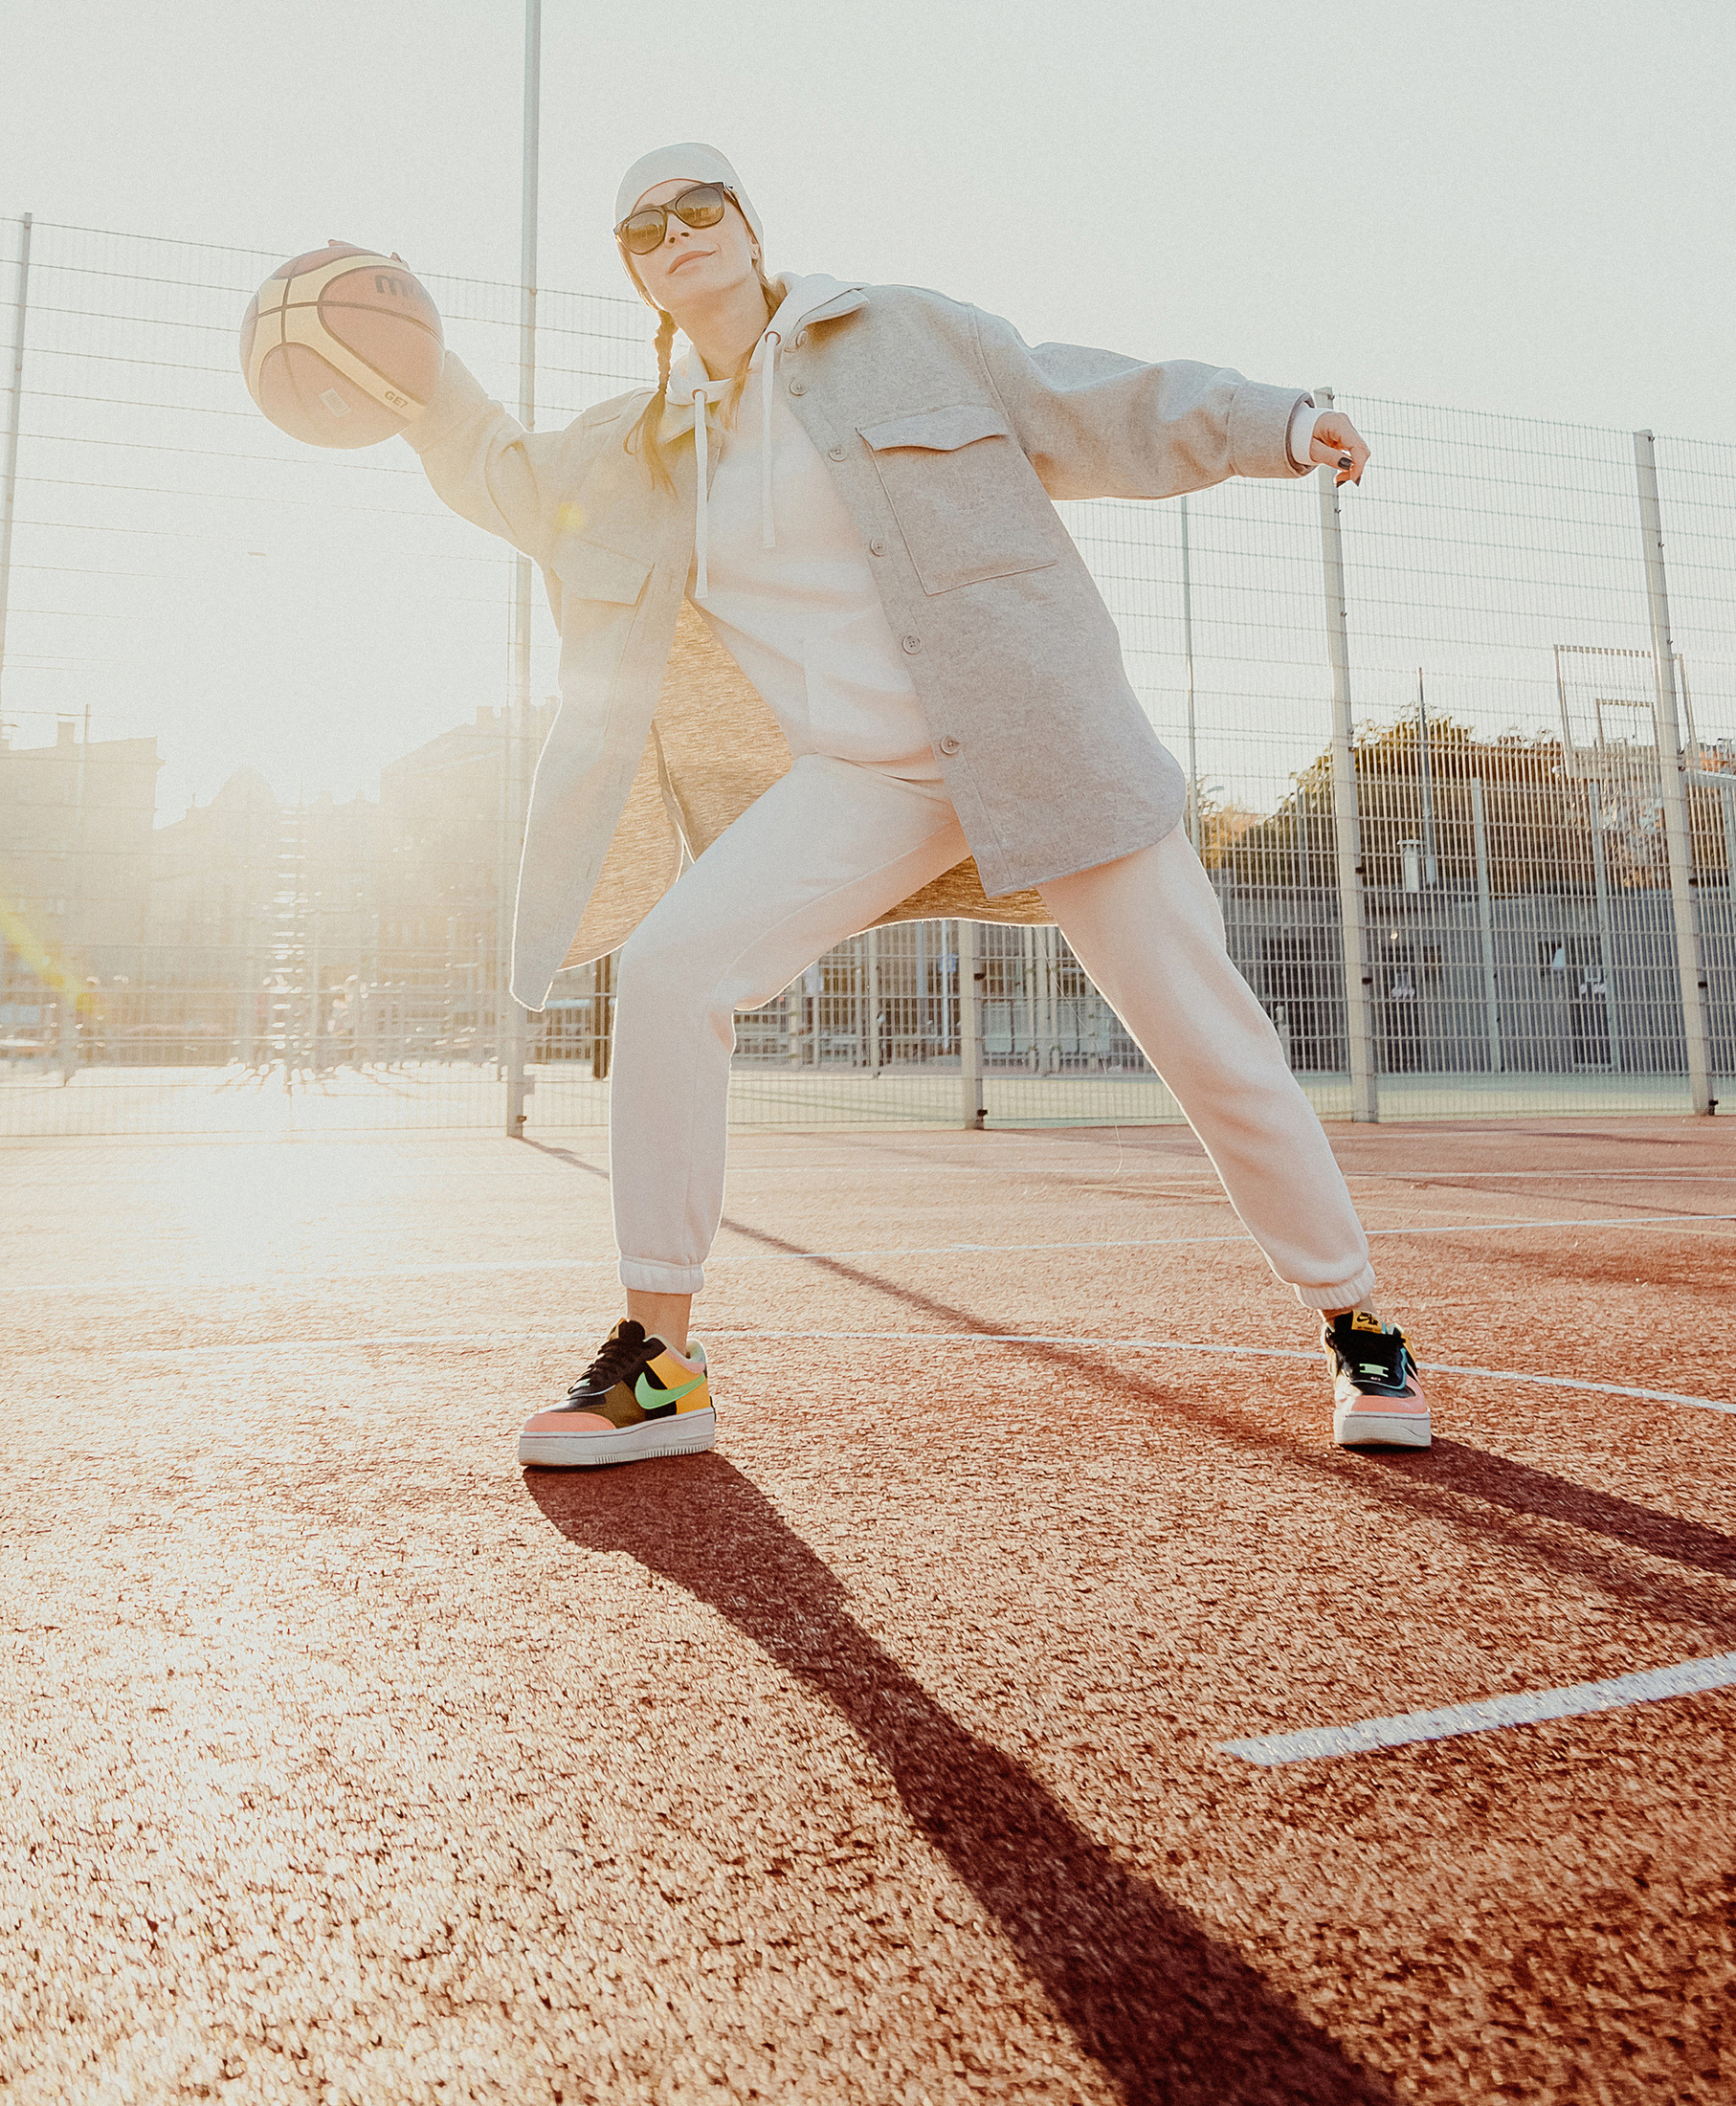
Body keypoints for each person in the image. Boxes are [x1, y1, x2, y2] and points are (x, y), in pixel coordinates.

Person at [399, 144, 1430, 1470]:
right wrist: (412, 373)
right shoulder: (643, 446)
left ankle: (1357, 1321)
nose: (677, 232)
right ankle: (659, 1361)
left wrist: (1271, 425)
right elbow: (507, 475)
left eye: (699, 205)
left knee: (1204, 1032)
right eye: (644, 228)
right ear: (637, 274)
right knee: (667, 971)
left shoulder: (898, 333)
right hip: (862, 782)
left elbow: (1080, 399)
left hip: (1042, 745)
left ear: (750, 226)